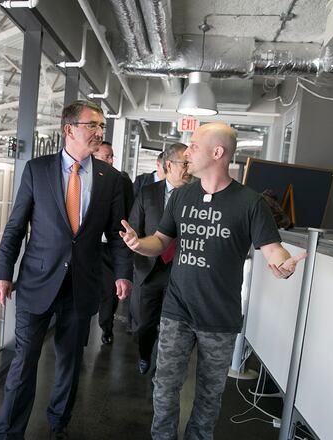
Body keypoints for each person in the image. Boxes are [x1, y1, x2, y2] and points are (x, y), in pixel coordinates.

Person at [119, 122, 307, 440]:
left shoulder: (250, 203)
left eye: (194, 146)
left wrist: (283, 266)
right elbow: (162, 241)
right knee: (164, 387)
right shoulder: (180, 197)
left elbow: (273, 250)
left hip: (219, 318)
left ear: (217, 152)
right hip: (177, 311)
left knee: (208, 397)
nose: (187, 151)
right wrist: (140, 244)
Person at [0, 100, 133, 440]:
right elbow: (16, 227)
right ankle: (8, 434)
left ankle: (59, 424)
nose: (100, 132)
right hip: (36, 282)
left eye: (101, 126)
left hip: (81, 286)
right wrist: (2, 272)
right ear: (70, 129)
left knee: (69, 366)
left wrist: (123, 272)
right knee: (23, 365)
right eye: (93, 125)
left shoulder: (111, 179)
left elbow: (118, 234)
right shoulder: (36, 170)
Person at [128, 142, 190, 375]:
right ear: (168, 165)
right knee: (145, 323)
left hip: (179, 270)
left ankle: (159, 367)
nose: (188, 169)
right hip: (149, 269)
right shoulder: (147, 194)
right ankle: (145, 354)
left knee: (171, 327)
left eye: (190, 164)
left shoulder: (195, 196)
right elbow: (135, 230)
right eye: (184, 164)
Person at [93, 141, 134, 344]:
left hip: (111, 245)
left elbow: (127, 211)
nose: (110, 160)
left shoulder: (121, 180)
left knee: (109, 291)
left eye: (111, 156)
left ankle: (106, 328)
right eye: (105, 156)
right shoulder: (84, 179)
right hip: (89, 246)